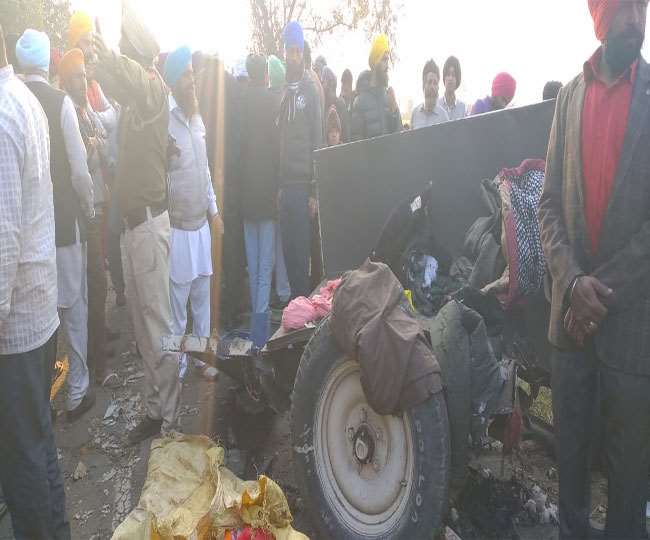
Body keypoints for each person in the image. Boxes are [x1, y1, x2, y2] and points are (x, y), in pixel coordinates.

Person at [538, 1, 650, 538]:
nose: (637, 20)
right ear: (600, 16)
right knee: (572, 475)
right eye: (625, 8)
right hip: (571, 327)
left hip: (631, 331)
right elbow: (548, 207)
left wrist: (599, 292)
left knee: (629, 485)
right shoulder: (568, 97)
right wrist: (572, 282)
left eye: (643, 7)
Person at [92, 8, 181, 443]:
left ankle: (172, 421)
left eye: (125, 48)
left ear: (138, 54)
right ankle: (155, 409)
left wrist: (110, 56)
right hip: (134, 229)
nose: (120, 53)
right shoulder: (134, 102)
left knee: (158, 326)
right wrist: (100, 61)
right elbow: (114, 81)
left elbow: (128, 76)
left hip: (147, 226)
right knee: (144, 331)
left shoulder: (153, 88)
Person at [0, 23, 70, 539]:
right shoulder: (23, 101)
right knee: (40, 445)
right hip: (38, 312)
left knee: (20, 460)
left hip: (15, 328)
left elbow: (3, 239)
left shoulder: (2, 116)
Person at [17, 29, 96, 422]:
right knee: (74, 309)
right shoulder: (59, 102)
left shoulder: (10, 101)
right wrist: (89, 208)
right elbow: (79, 171)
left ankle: (39, 401)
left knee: (38, 319)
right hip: (64, 224)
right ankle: (77, 392)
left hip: (26, 233)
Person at [58, 48, 114, 385]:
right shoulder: (68, 112)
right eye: (77, 77)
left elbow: (105, 142)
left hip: (97, 203)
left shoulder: (84, 109)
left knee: (97, 281)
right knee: (93, 283)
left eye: (83, 76)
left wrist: (96, 145)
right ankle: (96, 365)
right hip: (85, 210)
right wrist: (93, 147)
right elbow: (82, 163)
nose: (83, 82)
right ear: (65, 81)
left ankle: (98, 345)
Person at [164, 46, 220, 381]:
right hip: (178, 228)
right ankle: (177, 366)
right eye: (186, 75)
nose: (193, 79)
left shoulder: (197, 118)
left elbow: (205, 169)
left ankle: (200, 358)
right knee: (177, 307)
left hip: (201, 226)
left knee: (201, 299)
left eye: (192, 73)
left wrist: (215, 211)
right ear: (174, 81)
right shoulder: (164, 121)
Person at [277, 21, 323, 299]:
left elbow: (317, 140)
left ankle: (305, 312)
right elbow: (278, 140)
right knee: (289, 253)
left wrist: (315, 191)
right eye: (289, 50)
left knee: (303, 255)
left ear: (302, 52)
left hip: (305, 187)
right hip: (286, 187)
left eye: (297, 50)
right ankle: (295, 310)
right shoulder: (283, 90)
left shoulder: (310, 89)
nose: (293, 56)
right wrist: (278, 186)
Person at [241, 53, 280, 318]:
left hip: (246, 195)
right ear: (265, 74)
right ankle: (261, 323)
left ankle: (257, 318)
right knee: (265, 266)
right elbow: (277, 148)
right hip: (267, 193)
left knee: (253, 265)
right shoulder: (271, 102)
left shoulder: (240, 102)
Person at [267, 54, 292, 307]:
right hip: (285, 180)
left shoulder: (273, 105)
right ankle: (285, 290)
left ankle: (282, 290)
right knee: (283, 240)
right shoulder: (285, 102)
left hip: (275, 181)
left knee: (276, 240)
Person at [351, 34, 402, 141]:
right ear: (375, 62)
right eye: (384, 60)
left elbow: (399, 137)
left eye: (388, 60)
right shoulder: (359, 102)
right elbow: (356, 143)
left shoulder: (389, 97)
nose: (387, 65)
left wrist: (394, 112)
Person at [411, 59, 449, 129]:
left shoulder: (444, 117)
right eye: (429, 82)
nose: (432, 87)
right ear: (423, 85)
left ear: (438, 87)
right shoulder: (415, 114)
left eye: (435, 83)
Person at [321, 65, 350, 142]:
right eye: (323, 82)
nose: (324, 84)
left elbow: (346, 132)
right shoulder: (321, 104)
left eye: (325, 81)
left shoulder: (340, 104)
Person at [439, 55, 466, 120]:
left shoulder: (462, 107)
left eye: (453, 75)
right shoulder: (436, 105)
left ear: (457, 79)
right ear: (444, 78)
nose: (450, 78)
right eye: (448, 75)